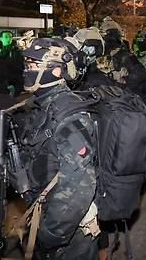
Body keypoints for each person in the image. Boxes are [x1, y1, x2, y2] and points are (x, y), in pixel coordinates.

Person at [16, 37, 99, 259]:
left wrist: (51, 234)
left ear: (55, 71)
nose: (27, 70)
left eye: (33, 65)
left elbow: (80, 187)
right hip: (45, 211)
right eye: (27, 65)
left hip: (67, 228)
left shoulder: (69, 117)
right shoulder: (42, 105)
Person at [98, 17, 146, 112]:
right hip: (123, 105)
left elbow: (141, 78)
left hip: (133, 106)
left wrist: (121, 81)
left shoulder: (126, 57)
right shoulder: (108, 57)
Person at [0, 30, 24, 95]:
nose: (8, 39)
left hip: (14, 80)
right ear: (0, 38)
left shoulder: (17, 51)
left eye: (10, 37)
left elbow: (20, 65)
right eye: (6, 37)